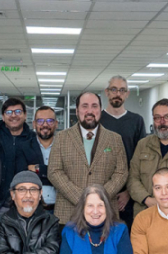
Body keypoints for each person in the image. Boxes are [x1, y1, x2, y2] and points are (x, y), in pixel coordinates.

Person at [48, 91, 128, 225]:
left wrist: (99, 199)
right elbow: (54, 171)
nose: (90, 110)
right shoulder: (62, 138)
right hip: (69, 213)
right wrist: (82, 198)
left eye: (94, 106)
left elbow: (121, 172)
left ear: (100, 110)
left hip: (105, 213)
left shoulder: (115, 139)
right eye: (85, 106)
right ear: (77, 110)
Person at [99, 76, 146, 227]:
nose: (117, 94)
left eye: (122, 90)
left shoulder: (136, 121)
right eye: (114, 89)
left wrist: (129, 192)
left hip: (129, 194)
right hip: (101, 191)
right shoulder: (97, 120)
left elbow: (140, 159)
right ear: (107, 92)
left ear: (127, 94)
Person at [0, 97, 42, 214]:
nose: (13, 115)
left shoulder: (35, 140)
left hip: (26, 205)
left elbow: (41, 168)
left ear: (25, 115)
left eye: (18, 112)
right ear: (3, 116)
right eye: (8, 112)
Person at [32, 106, 59, 210]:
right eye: (40, 121)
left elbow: (69, 176)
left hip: (60, 209)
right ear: (34, 124)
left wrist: (40, 169)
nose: (45, 125)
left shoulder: (65, 147)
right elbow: (25, 176)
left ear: (56, 124)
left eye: (50, 121)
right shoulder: (24, 147)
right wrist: (56, 174)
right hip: (34, 209)